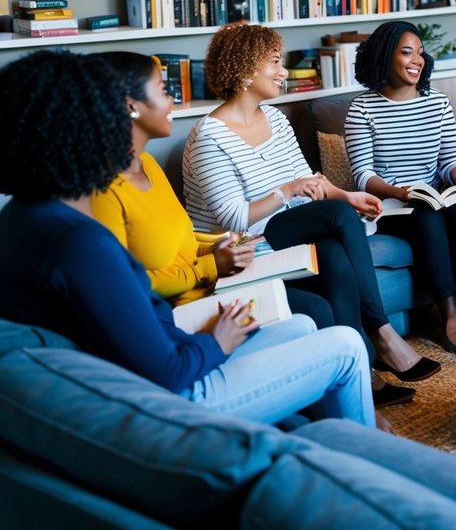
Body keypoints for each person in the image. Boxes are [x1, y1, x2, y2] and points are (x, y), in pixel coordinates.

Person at [0, 50, 378, 429]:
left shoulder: (22, 216)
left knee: (303, 327)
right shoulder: (79, 244)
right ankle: (364, 463)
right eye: (105, 111)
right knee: (344, 346)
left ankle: (321, 438)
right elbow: (168, 371)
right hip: (173, 399)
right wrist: (218, 340)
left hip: (164, 359)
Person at [90, 51, 414, 408]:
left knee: (333, 255)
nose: (171, 100)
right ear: (131, 105)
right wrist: (214, 262)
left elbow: (187, 235)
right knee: (320, 293)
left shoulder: (148, 164)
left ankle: (362, 382)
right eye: (163, 90)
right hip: (194, 296)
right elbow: (129, 283)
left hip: (224, 267)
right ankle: (372, 351)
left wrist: (221, 245)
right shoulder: (105, 190)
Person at [182, 22, 440, 385]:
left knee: (333, 249)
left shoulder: (275, 118)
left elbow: (309, 179)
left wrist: (347, 196)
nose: (283, 72)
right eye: (274, 62)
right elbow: (235, 217)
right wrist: (288, 191)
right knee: (334, 217)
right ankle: (381, 332)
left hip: (284, 231)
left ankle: (360, 367)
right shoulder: (209, 136)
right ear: (245, 66)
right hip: (241, 247)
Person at [346, 21, 456, 335]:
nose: (417, 60)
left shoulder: (438, 102)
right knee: (429, 219)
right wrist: (398, 190)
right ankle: (449, 319)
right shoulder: (362, 109)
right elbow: (363, 175)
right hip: (395, 205)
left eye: (420, 53)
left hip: (434, 195)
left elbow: (450, 161)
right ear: (384, 56)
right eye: (407, 53)